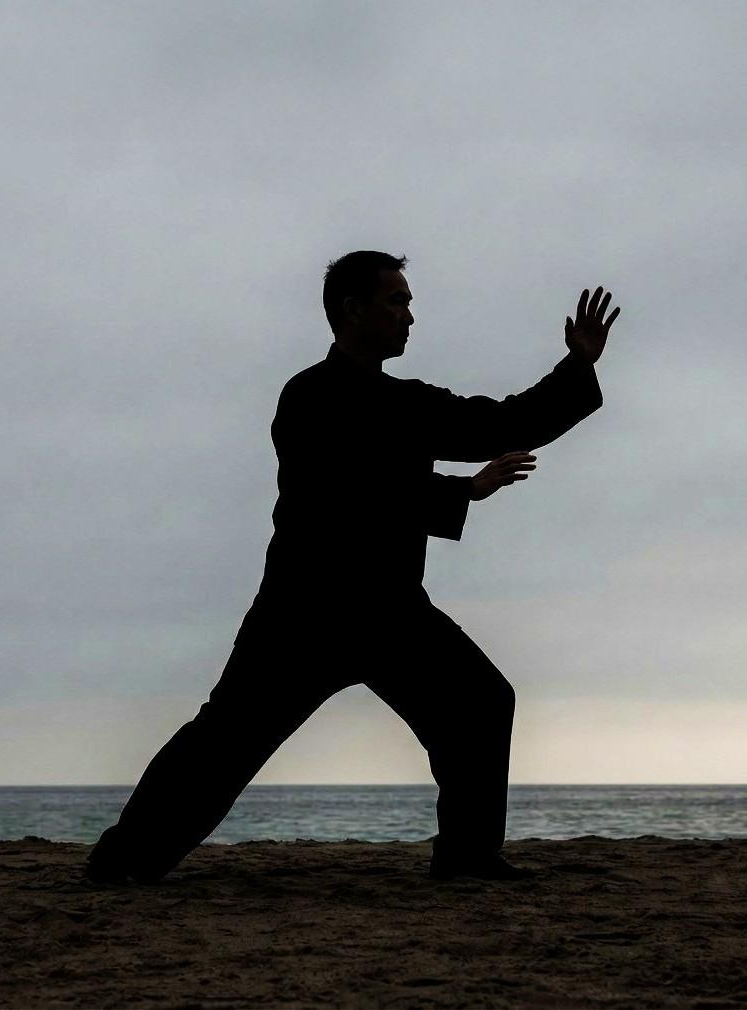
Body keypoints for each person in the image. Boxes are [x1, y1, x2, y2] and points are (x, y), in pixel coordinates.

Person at [86, 250, 619, 885]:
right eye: (396, 301)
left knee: (479, 702)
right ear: (352, 309)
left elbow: (500, 422)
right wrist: (461, 492)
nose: (409, 315)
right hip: (304, 610)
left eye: (409, 303)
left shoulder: (410, 402)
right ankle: (123, 860)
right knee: (224, 741)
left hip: (390, 608)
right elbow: (344, 487)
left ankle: (467, 856)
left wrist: (578, 364)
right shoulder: (307, 396)